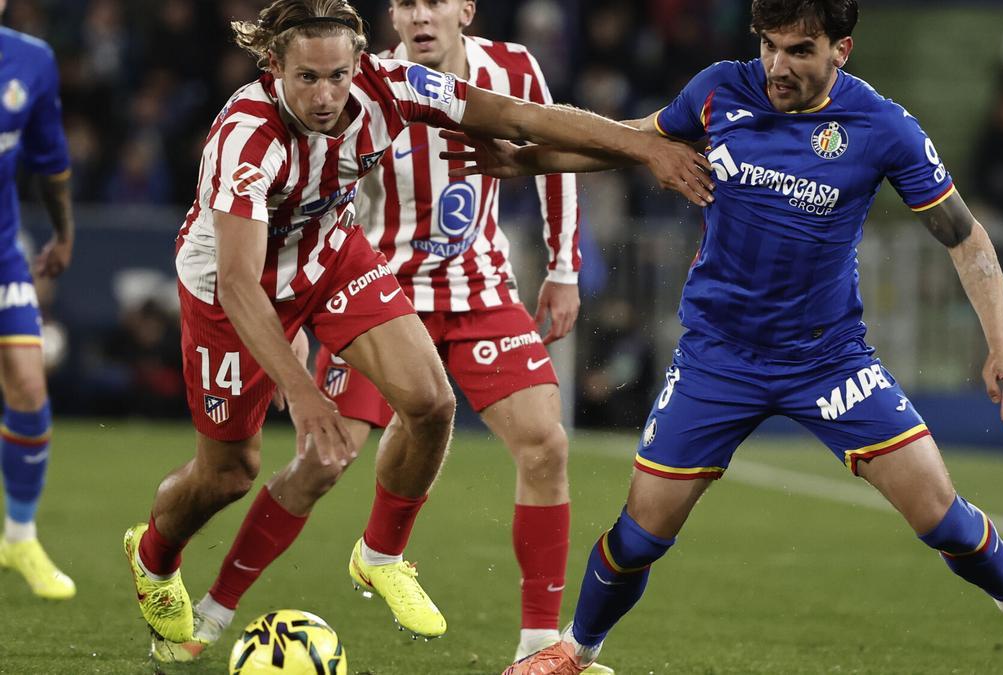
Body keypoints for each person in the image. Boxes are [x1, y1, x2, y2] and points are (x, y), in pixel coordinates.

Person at [446, 1, 1003, 672]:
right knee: (641, 534)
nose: (777, 65)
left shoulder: (882, 127)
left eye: (799, 50)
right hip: (717, 357)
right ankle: (576, 649)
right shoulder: (719, 90)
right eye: (769, 45)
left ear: (840, 50)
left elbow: (964, 237)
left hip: (828, 359)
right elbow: (629, 139)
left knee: (938, 513)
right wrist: (528, 161)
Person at [124, 0, 712, 652]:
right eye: (307, 78)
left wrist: (644, 146)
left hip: (332, 256)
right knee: (231, 473)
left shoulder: (393, 85)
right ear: (274, 67)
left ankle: (380, 556)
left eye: (338, 76)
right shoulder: (245, 136)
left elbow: (524, 118)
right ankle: (155, 556)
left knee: (432, 404)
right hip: (231, 287)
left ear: (359, 63)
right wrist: (302, 388)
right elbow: (239, 282)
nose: (326, 97)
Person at [0, 0, 77, 601]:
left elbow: (50, 161)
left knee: (28, 384)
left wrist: (63, 233)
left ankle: (19, 536)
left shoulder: (32, 61)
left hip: (2, 252)